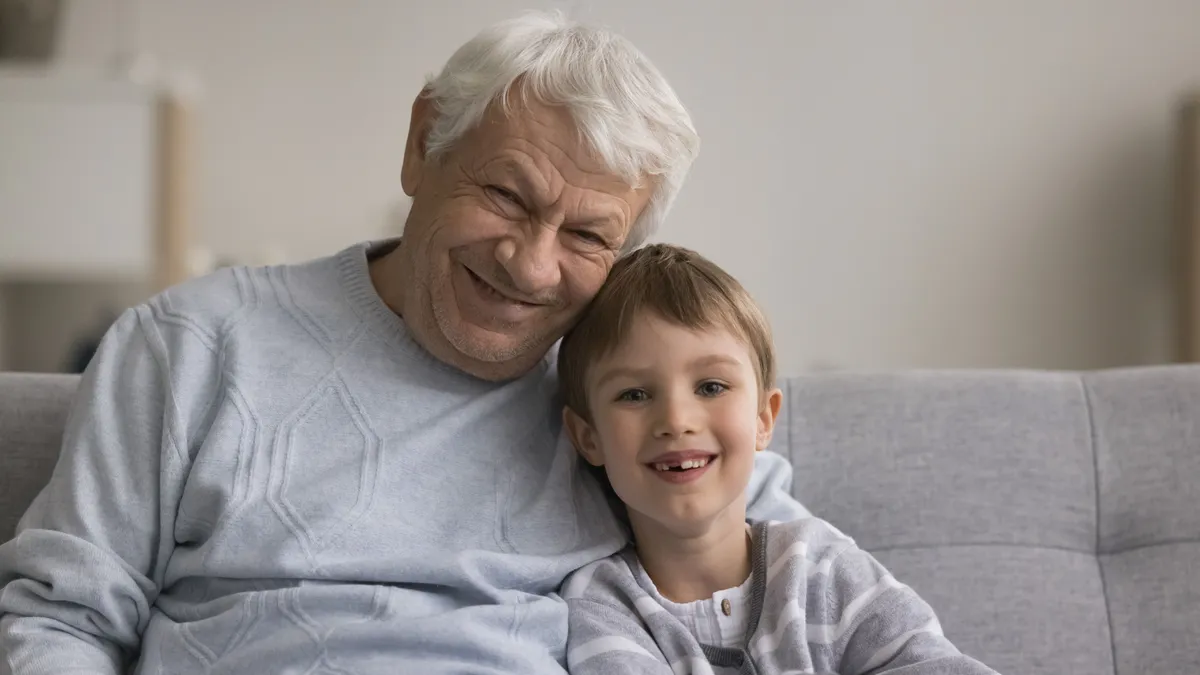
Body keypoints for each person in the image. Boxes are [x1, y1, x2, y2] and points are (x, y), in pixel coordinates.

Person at [0, 11, 810, 675]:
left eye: (587, 236)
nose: (530, 264)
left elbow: (790, 568)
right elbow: (60, 622)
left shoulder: (622, 394)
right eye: (505, 194)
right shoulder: (191, 343)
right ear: (422, 142)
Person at [558, 244, 999, 674]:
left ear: (764, 419)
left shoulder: (824, 568)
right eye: (633, 394)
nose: (676, 420)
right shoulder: (601, 607)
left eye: (711, 386)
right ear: (588, 437)